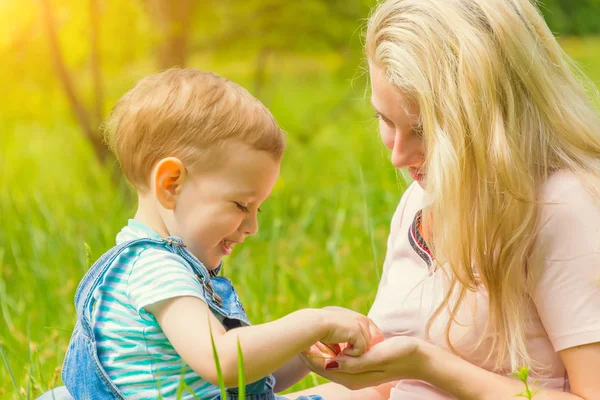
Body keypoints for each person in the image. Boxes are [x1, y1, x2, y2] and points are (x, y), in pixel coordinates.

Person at [291, 0, 600, 399]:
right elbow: (387, 388)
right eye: (385, 120)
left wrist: (430, 365)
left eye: (423, 130)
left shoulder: (562, 207)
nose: (397, 156)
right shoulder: (420, 201)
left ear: (494, 119)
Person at [39, 68, 382, 400]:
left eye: (257, 209)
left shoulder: (145, 264)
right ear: (171, 184)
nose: (252, 227)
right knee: (378, 394)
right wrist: (312, 322)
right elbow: (223, 361)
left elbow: (244, 381)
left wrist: (302, 353)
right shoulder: (157, 269)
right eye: (240, 205)